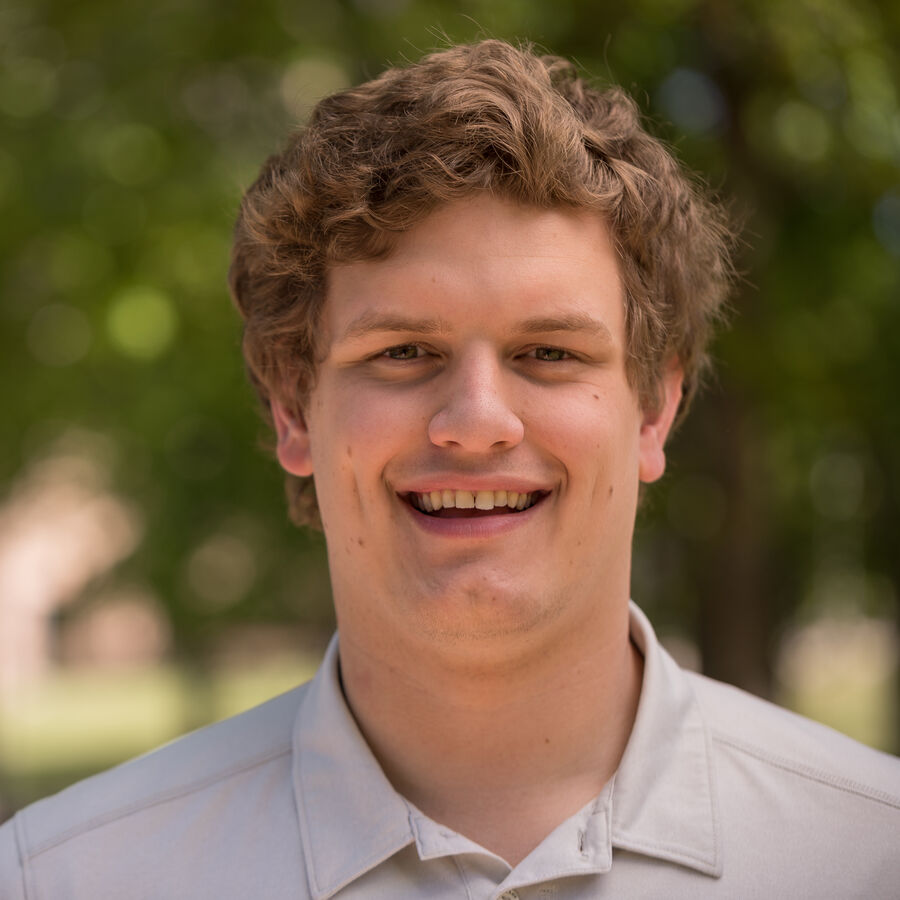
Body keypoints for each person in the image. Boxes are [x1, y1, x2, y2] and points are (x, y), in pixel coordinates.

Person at [2, 39, 898, 899]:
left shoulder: (870, 857)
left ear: (654, 410)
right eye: (402, 352)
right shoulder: (65, 879)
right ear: (291, 407)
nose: (476, 423)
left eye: (547, 352)